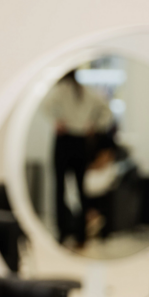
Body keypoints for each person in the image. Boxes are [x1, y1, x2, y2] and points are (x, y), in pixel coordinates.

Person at [39, 69, 113, 248]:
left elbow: (43, 105)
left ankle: (62, 232)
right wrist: (93, 125)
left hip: (65, 141)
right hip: (80, 143)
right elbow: (107, 114)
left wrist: (57, 121)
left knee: (60, 189)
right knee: (81, 189)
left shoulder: (60, 90)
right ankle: (81, 235)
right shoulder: (87, 91)